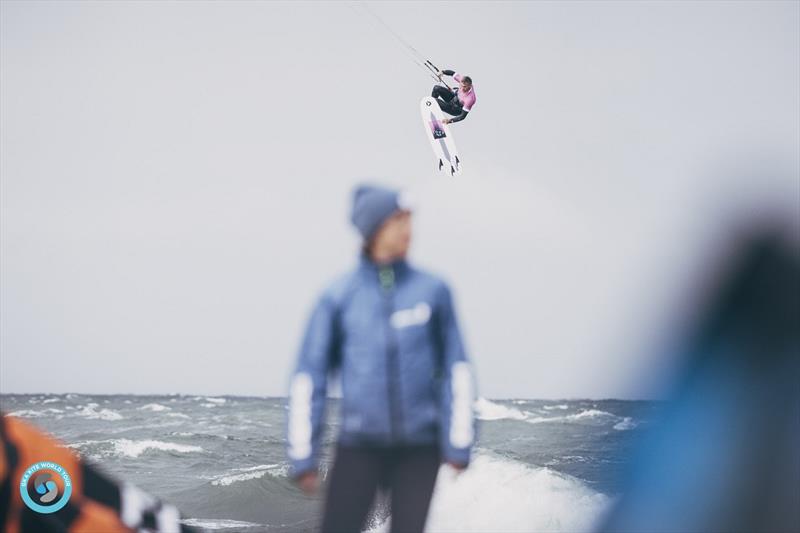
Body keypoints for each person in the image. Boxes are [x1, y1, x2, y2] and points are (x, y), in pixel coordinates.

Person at [286, 184, 477, 533]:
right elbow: (309, 376)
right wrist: (303, 453)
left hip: (420, 448)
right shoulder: (339, 296)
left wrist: (459, 441)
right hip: (359, 446)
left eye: (409, 220)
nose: (408, 230)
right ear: (374, 229)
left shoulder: (433, 291)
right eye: (398, 221)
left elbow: (457, 368)